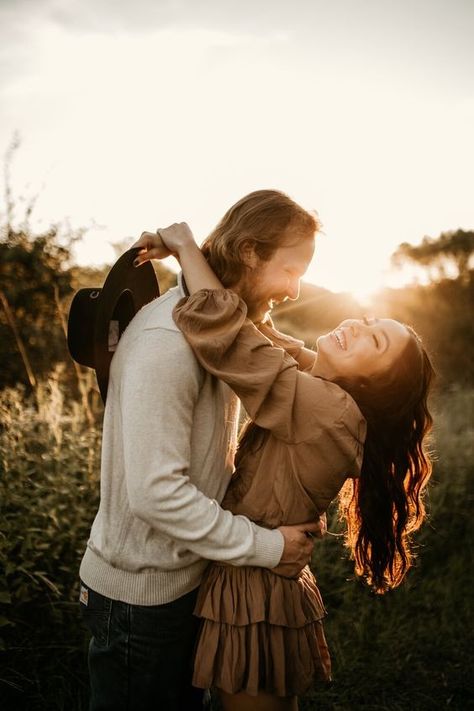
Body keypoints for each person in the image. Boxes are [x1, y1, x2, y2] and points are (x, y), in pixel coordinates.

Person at [135, 221, 435, 711]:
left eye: (374, 343)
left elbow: (236, 341)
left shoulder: (329, 410)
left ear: (374, 385)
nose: (358, 326)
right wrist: (211, 266)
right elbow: (263, 335)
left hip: (256, 590)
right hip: (257, 576)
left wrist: (188, 247)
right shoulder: (323, 386)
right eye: (371, 321)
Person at [78, 190, 324, 711]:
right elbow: (157, 495)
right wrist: (269, 547)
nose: (294, 289)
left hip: (190, 578)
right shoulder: (167, 343)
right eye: (291, 269)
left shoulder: (222, 330)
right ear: (252, 252)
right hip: (141, 599)